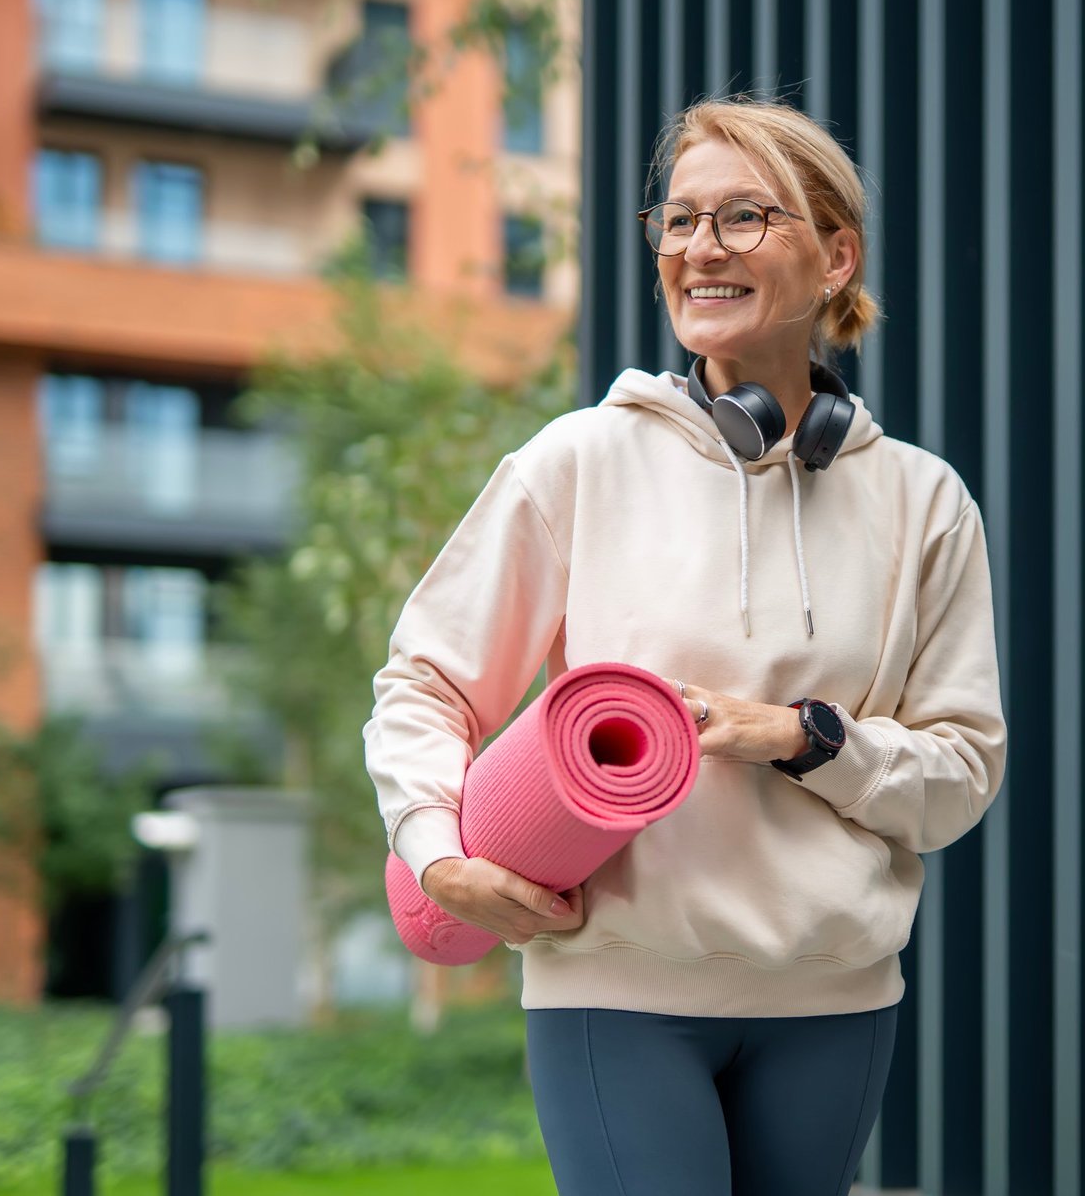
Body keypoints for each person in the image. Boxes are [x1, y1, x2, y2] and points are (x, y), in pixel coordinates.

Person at [362, 94, 1007, 1196]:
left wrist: (803, 737)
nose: (700, 248)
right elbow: (424, 680)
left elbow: (960, 775)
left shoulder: (923, 501)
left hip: (838, 1002)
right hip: (615, 993)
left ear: (837, 255)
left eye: (745, 217)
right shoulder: (578, 464)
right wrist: (438, 853)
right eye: (679, 220)